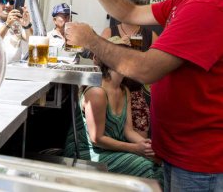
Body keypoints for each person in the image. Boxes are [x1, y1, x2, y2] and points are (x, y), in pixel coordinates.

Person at [66, 0, 223, 190]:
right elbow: (129, 11)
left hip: (201, 162)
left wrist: (91, 39)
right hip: (181, 154)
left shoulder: (212, 0)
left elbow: (145, 69)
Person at [64, 36, 163, 184]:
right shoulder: (97, 92)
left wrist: (148, 147)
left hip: (110, 149)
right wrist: (135, 148)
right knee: (148, 169)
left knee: (161, 164)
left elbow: (128, 131)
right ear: (111, 60)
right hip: (86, 153)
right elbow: (96, 139)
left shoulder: (124, 90)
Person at [101, 0, 158, 138]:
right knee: (111, 136)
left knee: (141, 140)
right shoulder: (109, 31)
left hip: (135, 94)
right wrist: (116, 46)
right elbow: (97, 60)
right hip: (111, 93)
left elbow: (157, 64)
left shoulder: (150, 35)